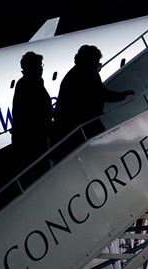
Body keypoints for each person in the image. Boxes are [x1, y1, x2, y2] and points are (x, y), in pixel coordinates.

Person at [53, 45, 134, 143]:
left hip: (75, 125)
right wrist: (122, 96)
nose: (98, 66)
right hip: (83, 125)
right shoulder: (86, 74)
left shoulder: (76, 73)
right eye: (97, 62)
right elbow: (101, 93)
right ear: (90, 61)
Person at [11, 51, 53, 184]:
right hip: (33, 140)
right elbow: (33, 112)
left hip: (34, 139)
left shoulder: (31, 83)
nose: (41, 68)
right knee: (40, 175)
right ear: (31, 67)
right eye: (39, 65)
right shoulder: (28, 85)